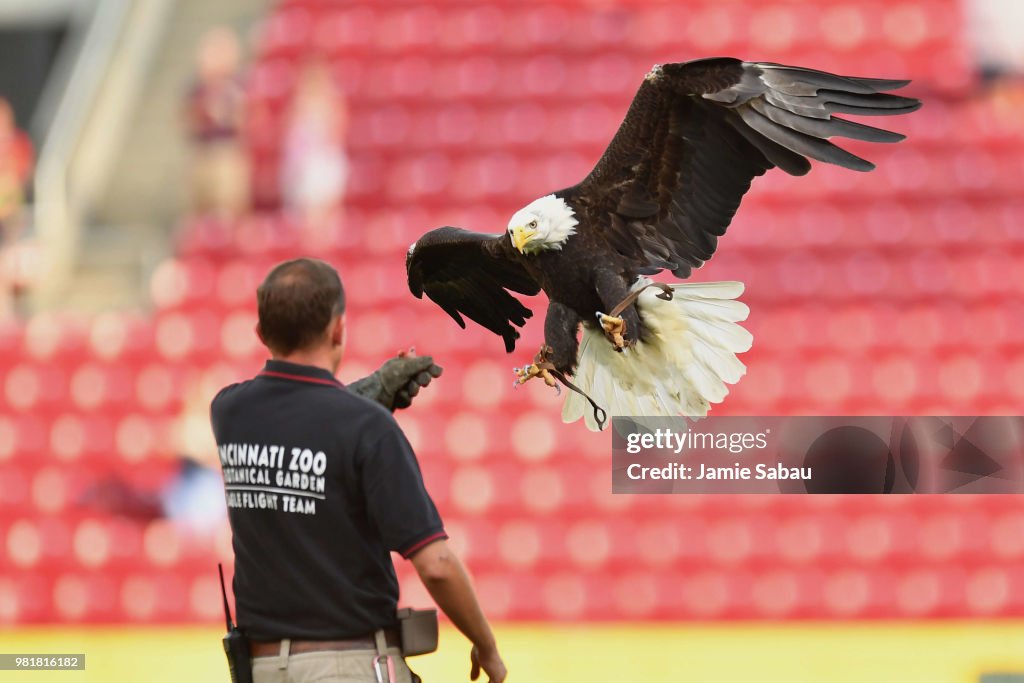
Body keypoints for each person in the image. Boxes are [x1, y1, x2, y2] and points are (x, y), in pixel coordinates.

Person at [209, 258, 507, 683]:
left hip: (263, 669)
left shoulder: (229, 411)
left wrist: (366, 395)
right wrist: (486, 645)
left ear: (260, 332)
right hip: (348, 666)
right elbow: (436, 564)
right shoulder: (368, 428)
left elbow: (298, 418)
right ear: (337, 329)